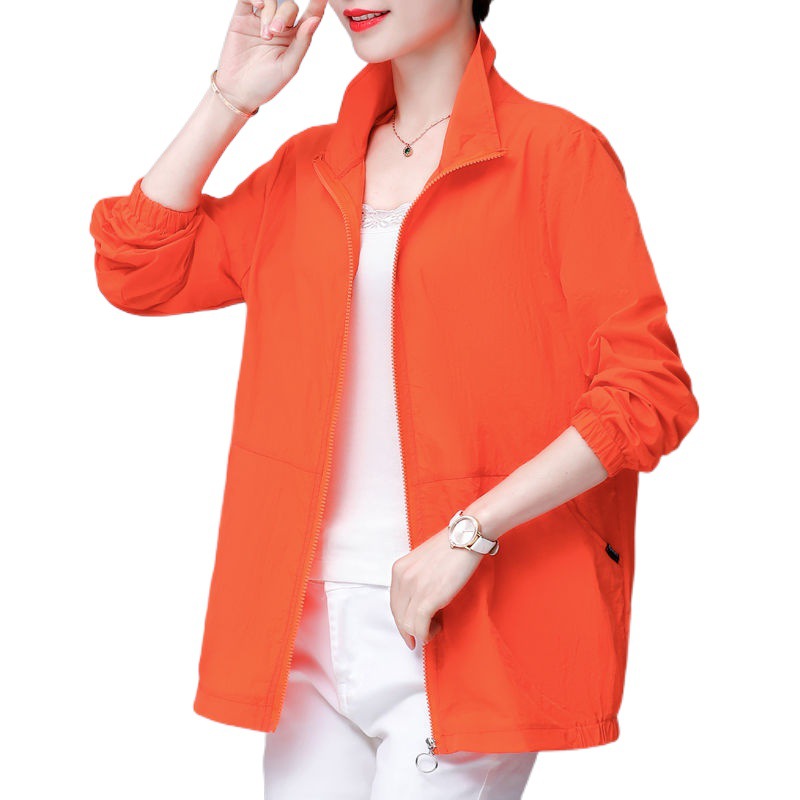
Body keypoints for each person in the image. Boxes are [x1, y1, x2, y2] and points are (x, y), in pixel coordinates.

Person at [89, 1, 700, 798]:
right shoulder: (307, 169)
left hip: (468, 618)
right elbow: (136, 269)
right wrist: (230, 97)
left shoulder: (556, 155)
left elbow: (647, 391)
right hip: (304, 629)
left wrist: (469, 533)